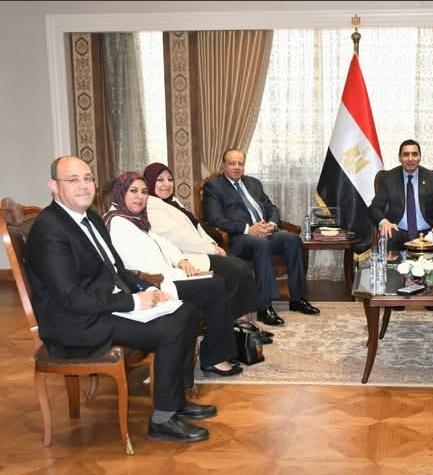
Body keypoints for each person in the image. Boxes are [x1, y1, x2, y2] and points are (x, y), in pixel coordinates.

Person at [24, 156, 214, 443]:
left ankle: (175, 400)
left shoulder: (90, 217)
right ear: (54, 186)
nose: (83, 186)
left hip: (99, 308)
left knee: (185, 311)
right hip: (75, 323)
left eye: (88, 178)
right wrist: (134, 302)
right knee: (170, 327)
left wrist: (146, 290)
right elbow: (71, 298)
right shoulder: (49, 230)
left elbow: (116, 269)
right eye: (73, 180)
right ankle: (163, 420)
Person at [103, 172, 242, 377]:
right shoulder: (117, 223)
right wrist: (175, 277)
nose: (140, 197)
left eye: (144, 192)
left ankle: (217, 353)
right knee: (215, 286)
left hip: (168, 277)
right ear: (120, 193)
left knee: (216, 280)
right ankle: (216, 358)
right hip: (154, 286)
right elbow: (136, 267)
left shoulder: (133, 219)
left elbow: (163, 243)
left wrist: (181, 261)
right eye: (133, 191)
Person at [142, 163, 269, 341]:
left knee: (242, 267)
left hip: (198, 250)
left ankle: (244, 325)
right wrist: (211, 248)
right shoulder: (151, 205)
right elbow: (177, 237)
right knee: (236, 270)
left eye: (170, 179)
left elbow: (196, 227)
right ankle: (238, 326)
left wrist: (213, 244)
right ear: (149, 183)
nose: (166, 184)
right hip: (184, 256)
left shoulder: (172, 201)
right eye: (160, 180)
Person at [203, 149, 319, 325]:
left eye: (240, 163)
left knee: (293, 239)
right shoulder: (214, 187)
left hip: (265, 231)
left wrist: (272, 224)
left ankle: (297, 298)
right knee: (261, 244)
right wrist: (248, 229)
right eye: (232, 163)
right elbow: (214, 219)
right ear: (223, 165)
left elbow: (271, 208)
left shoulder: (253, 183)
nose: (237, 167)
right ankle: (265, 306)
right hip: (239, 238)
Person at [369, 139, 433, 252]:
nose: (410, 159)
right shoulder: (388, 178)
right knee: (389, 234)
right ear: (399, 158)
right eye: (406, 155)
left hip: (428, 232)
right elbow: (374, 208)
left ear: (420, 157)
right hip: (398, 231)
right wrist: (384, 222)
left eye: (414, 154)